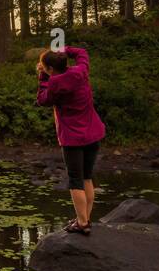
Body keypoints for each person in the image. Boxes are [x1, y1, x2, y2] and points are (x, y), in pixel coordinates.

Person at [35, 46, 106, 235]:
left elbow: (42, 100)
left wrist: (42, 78)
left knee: (75, 181)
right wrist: (62, 49)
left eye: (44, 67)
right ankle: (85, 218)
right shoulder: (80, 71)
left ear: (50, 69)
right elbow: (82, 52)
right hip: (92, 133)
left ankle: (82, 223)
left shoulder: (54, 83)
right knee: (87, 177)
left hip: (72, 138)